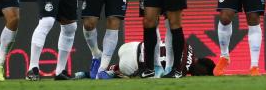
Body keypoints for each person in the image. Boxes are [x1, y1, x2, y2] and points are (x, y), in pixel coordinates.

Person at [85, 41, 215, 78]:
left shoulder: (187, 45)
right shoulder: (183, 72)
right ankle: (112, 72)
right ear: (202, 66)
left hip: (131, 46)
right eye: (204, 73)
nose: (200, 75)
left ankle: (90, 73)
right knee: (150, 73)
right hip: (132, 63)